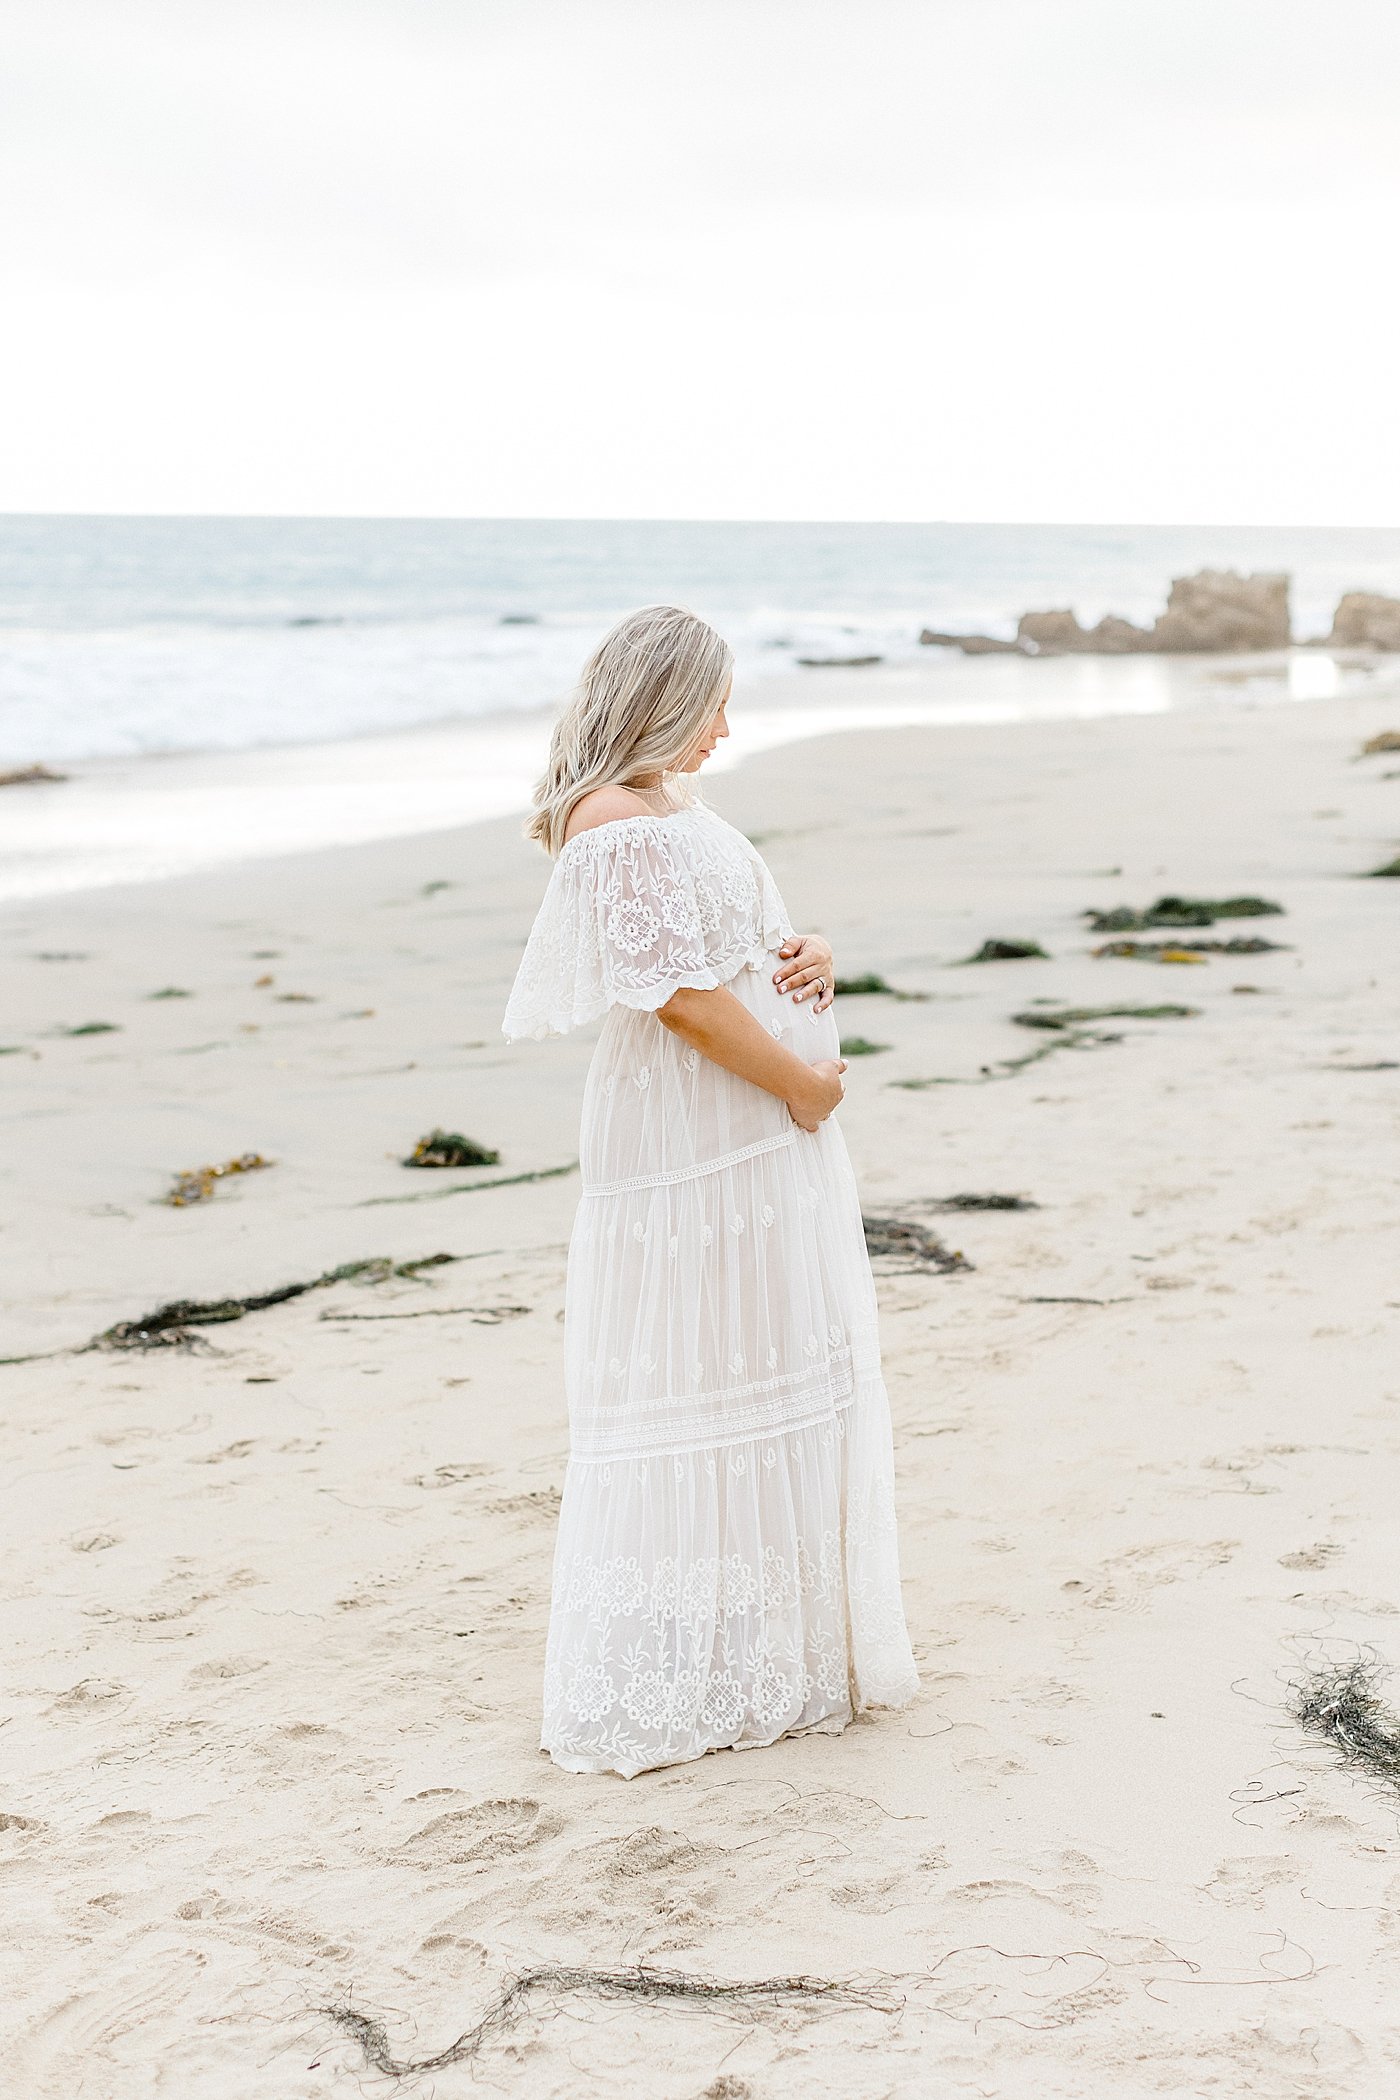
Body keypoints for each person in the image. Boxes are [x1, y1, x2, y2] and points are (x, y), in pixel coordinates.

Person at [504, 605, 917, 1777]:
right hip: (697, 1131)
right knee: (699, 1367)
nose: (726, 731)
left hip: (752, 1125)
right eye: (715, 706)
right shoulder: (611, 818)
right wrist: (802, 1083)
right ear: (662, 701)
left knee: (763, 1352)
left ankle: (763, 1647)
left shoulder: (672, 806)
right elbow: (673, 997)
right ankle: (690, 1659)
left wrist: (812, 952)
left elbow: (736, 943)